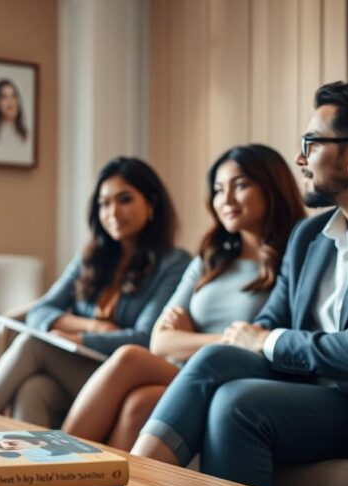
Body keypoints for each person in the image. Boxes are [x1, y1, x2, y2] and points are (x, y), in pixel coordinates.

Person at [131, 81, 348, 486]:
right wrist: (318, 340)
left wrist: (275, 341)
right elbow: (265, 324)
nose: (300, 157)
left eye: (312, 143)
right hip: (314, 385)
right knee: (213, 359)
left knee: (237, 403)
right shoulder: (308, 235)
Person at [61, 144, 305, 450]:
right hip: (182, 370)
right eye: (218, 189)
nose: (225, 199)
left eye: (240, 185)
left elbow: (264, 342)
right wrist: (227, 338)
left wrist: (191, 337)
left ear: (272, 187)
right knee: (139, 401)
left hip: (233, 375)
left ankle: (56, 465)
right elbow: (160, 341)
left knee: (129, 360)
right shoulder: (209, 259)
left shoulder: (295, 260)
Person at [0, 157, 190, 427]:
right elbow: (39, 311)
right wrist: (94, 327)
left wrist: (81, 340)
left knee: (33, 344)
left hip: (120, 375)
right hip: (79, 369)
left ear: (151, 203)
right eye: (104, 203)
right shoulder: (91, 257)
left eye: (124, 199)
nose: (113, 212)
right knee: (35, 390)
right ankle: (22, 468)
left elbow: (145, 338)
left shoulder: (175, 263)